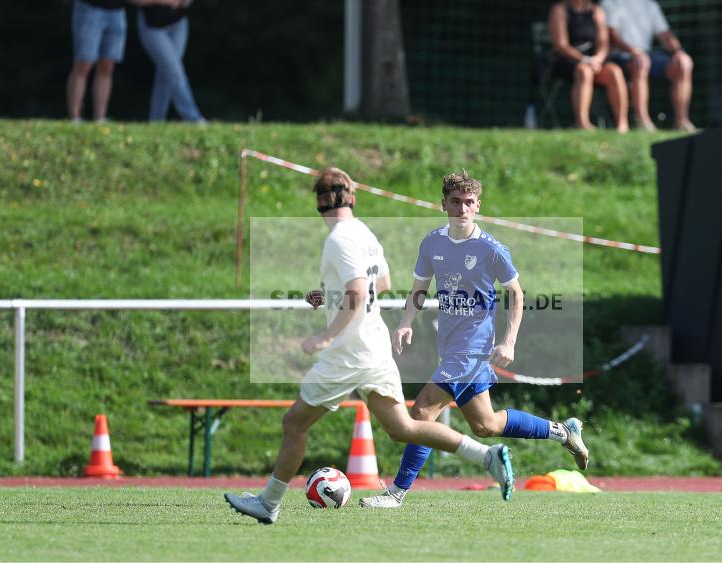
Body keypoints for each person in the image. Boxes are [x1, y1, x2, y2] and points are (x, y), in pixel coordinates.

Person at [224, 167, 516, 525]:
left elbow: (360, 292)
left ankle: (269, 503)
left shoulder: (339, 239)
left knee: (294, 424)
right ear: (353, 197)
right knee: (404, 428)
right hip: (374, 346)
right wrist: (332, 295)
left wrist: (327, 335)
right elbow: (384, 281)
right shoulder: (364, 232)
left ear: (318, 201)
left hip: (349, 351)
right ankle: (487, 456)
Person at [360, 170, 589, 509]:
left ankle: (397, 493)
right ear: (443, 205)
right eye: (456, 202)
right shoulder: (432, 242)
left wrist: (509, 340)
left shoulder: (492, 249)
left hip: (473, 348)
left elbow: (516, 295)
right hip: (450, 347)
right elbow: (419, 289)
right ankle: (564, 432)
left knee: (421, 414)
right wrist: (406, 322)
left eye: (469, 202)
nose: (462, 209)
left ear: (478, 206)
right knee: (486, 424)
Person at [67, 0, 179, 122]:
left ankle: (100, 117)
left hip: (116, 12)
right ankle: (75, 117)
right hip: (90, 9)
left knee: (107, 66)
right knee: (83, 64)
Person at [600, 0, 695, 132]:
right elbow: (612, 35)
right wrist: (633, 51)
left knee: (684, 63)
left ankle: (682, 121)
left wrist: (679, 52)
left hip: (646, 55)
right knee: (641, 62)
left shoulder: (650, 5)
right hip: (621, 56)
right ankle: (643, 121)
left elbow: (665, 34)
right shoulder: (610, 3)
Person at [548, 0, 629, 132]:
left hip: (594, 61)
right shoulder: (560, 9)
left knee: (614, 71)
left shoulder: (597, 11)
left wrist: (597, 59)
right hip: (567, 59)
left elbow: (603, 44)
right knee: (584, 71)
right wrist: (585, 60)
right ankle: (583, 123)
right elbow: (561, 44)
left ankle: (622, 124)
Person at [136, 0, 206, 123]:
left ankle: (156, 122)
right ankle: (193, 118)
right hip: (153, 27)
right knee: (174, 72)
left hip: (178, 24)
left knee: (165, 75)